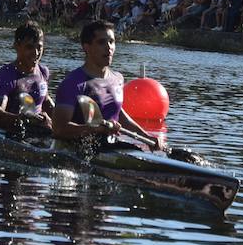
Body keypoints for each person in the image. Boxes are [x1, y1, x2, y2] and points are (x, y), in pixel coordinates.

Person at [50, 19, 162, 151]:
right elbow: (58, 130)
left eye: (112, 41)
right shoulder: (73, 83)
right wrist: (95, 129)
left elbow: (118, 114)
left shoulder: (117, 78)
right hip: (80, 150)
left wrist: (146, 136)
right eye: (101, 42)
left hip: (109, 146)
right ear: (86, 47)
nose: (109, 47)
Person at [0, 21, 53, 136]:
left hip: (39, 132)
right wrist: (24, 119)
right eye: (29, 47)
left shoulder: (43, 72)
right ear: (17, 46)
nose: (36, 53)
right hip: (11, 135)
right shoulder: (5, 76)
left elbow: (46, 102)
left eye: (39, 47)